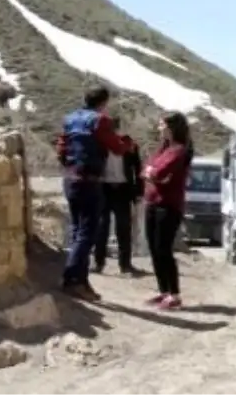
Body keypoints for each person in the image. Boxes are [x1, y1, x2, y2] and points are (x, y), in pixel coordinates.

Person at [55, 85, 135, 301]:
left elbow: (61, 149)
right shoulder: (100, 121)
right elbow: (117, 148)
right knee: (87, 232)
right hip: (89, 181)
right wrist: (127, 143)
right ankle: (71, 278)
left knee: (76, 230)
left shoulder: (70, 119)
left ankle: (82, 281)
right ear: (103, 103)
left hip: (70, 179)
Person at [143, 111, 194, 310]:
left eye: (162, 125)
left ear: (171, 128)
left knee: (164, 249)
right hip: (152, 201)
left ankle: (174, 294)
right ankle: (163, 291)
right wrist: (152, 174)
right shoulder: (164, 149)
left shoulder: (179, 150)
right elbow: (147, 169)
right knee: (154, 249)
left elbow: (158, 172)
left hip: (169, 204)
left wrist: (153, 174)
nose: (159, 128)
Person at [93, 116, 143, 276]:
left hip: (123, 190)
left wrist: (139, 192)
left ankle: (125, 265)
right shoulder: (99, 145)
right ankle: (98, 262)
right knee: (101, 227)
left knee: (123, 228)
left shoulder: (129, 145)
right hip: (104, 188)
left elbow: (138, 169)